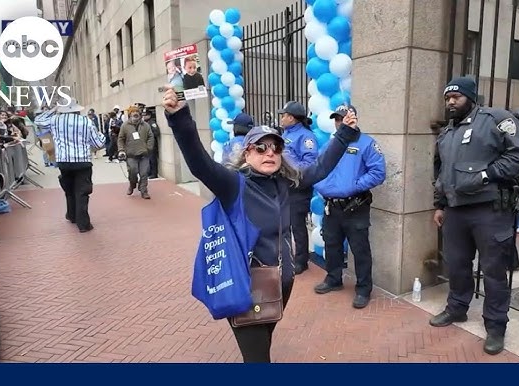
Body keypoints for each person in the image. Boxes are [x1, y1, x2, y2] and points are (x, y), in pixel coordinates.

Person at [162, 85, 360, 363]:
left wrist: (345, 133)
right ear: (246, 153)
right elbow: (199, 164)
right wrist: (180, 116)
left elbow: (321, 167)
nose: (270, 153)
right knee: (257, 359)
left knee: (264, 343)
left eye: (276, 147)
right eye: (261, 148)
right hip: (246, 286)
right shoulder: (234, 186)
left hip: (281, 283)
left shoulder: (284, 183)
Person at [431, 76, 519, 355]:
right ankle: (457, 308)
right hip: (455, 212)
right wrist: (440, 205)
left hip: (489, 210)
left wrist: (487, 174)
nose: (451, 102)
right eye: (447, 98)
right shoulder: (447, 133)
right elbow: (440, 174)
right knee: (457, 265)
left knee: (493, 271)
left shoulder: (495, 119)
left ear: (471, 97)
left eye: (457, 97)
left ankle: (496, 326)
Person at [313, 105, 386, 309]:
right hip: (331, 206)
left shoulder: (367, 144)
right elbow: (319, 167)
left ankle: (363, 289)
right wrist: (321, 186)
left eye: (344, 118)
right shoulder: (331, 144)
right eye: (337, 119)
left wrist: (353, 186)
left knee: (360, 250)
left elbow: (378, 173)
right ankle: (333, 279)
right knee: (332, 244)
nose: (340, 122)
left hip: (355, 207)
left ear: (354, 120)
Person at [34, 99, 106, 232]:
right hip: (82, 161)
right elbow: (98, 144)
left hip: (63, 161)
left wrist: (54, 109)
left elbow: (38, 120)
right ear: (77, 109)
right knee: (82, 192)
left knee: (69, 189)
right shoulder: (86, 122)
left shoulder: (55, 120)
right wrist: (102, 136)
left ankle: (72, 215)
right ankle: (83, 224)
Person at [277, 101, 319, 275]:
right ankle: (288, 256)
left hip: (297, 189)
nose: (281, 118)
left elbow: (309, 164)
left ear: (291, 118)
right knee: (284, 224)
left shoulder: (305, 137)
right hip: (283, 186)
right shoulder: (285, 134)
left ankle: (301, 261)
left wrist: (288, 166)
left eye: (283, 115)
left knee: (297, 226)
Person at [117, 106, 155, 199]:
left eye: (137, 115)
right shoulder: (125, 126)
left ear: (140, 116)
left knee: (144, 173)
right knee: (132, 171)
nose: (135, 117)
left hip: (144, 154)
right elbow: (121, 139)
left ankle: (144, 190)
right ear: (130, 115)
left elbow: (151, 137)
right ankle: (132, 184)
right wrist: (121, 150)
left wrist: (148, 148)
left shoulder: (146, 125)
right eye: (133, 115)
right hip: (131, 155)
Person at [142, 107, 161, 179]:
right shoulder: (145, 123)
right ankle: (149, 172)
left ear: (149, 115)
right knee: (148, 159)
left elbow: (156, 133)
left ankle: (154, 173)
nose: (144, 117)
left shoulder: (152, 123)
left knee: (152, 159)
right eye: (143, 115)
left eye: (145, 115)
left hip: (152, 144)